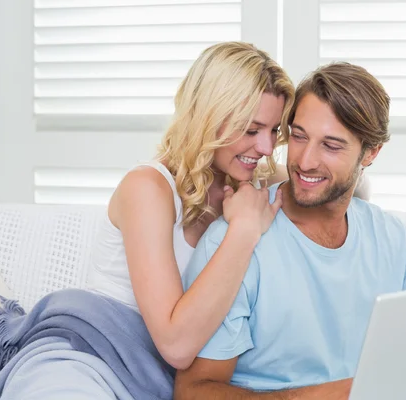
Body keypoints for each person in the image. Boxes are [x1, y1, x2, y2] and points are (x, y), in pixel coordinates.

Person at [86, 41, 369, 371]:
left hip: (154, 378)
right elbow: (175, 346)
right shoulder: (148, 189)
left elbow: (343, 187)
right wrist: (244, 230)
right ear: (207, 118)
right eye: (251, 129)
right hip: (96, 356)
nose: (265, 147)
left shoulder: (252, 181)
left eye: (275, 130)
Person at [174, 62, 406, 399]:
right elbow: (193, 392)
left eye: (331, 146)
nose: (305, 162)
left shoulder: (390, 237)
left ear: (371, 152)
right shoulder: (231, 243)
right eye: (299, 137)